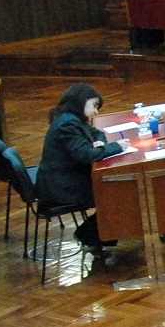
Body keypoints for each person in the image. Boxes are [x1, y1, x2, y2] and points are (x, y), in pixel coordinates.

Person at [34, 83, 130, 256]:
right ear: (81, 101)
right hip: (61, 187)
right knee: (116, 192)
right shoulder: (67, 124)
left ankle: (97, 236)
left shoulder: (71, 119)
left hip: (67, 178)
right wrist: (116, 147)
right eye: (94, 106)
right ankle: (89, 236)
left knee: (118, 189)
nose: (96, 112)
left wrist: (101, 143)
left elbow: (96, 133)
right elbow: (85, 155)